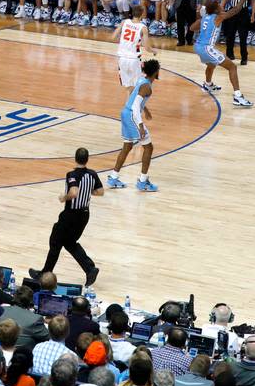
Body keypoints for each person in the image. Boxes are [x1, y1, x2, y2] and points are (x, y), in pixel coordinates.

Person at [30, 147, 103, 287]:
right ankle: (90, 269)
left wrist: (65, 197)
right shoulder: (92, 174)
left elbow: (74, 192)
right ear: (87, 159)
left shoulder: (72, 174)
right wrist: (87, 191)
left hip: (71, 214)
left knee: (55, 241)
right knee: (69, 243)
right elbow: (100, 192)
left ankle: (44, 274)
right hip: (84, 215)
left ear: (75, 158)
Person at [108, 59, 160, 191]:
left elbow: (133, 95)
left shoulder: (142, 80)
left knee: (127, 146)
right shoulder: (147, 86)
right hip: (132, 115)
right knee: (148, 148)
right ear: (155, 72)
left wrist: (146, 110)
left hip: (125, 112)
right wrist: (141, 125)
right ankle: (143, 182)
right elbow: (136, 106)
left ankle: (113, 177)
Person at [191, 0, 253, 106]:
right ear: (216, 9)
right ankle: (238, 97)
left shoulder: (204, 17)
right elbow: (236, 9)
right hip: (207, 48)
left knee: (211, 64)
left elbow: (192, 28)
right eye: (219, 5)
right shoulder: (218, 17)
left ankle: (208, 84)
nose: (221, 5)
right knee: (232, 67)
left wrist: (199, 18)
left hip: (198, 47)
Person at [112, 5, 154, 89]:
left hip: (122, 59)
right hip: (134, 60)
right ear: (142, 14)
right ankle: (133, 102)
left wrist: (124, 41)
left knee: (128, 87)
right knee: (137, 88)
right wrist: (154, 51)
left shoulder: (124, 22)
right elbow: (147, 48)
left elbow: (113, 37)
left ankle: (129, 102)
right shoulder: (143, 28)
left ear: (132, 13)